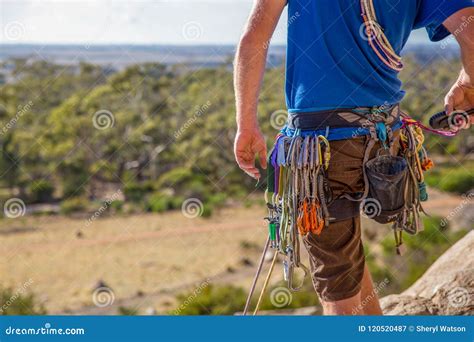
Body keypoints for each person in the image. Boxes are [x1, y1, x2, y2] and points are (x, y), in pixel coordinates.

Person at [233, 0, 474, 315]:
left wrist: (247, 124)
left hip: (319, 147)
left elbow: (255, 36)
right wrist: (469, 81)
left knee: (338, 288)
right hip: (387, 139)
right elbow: (468, 26)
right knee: (348, 263)